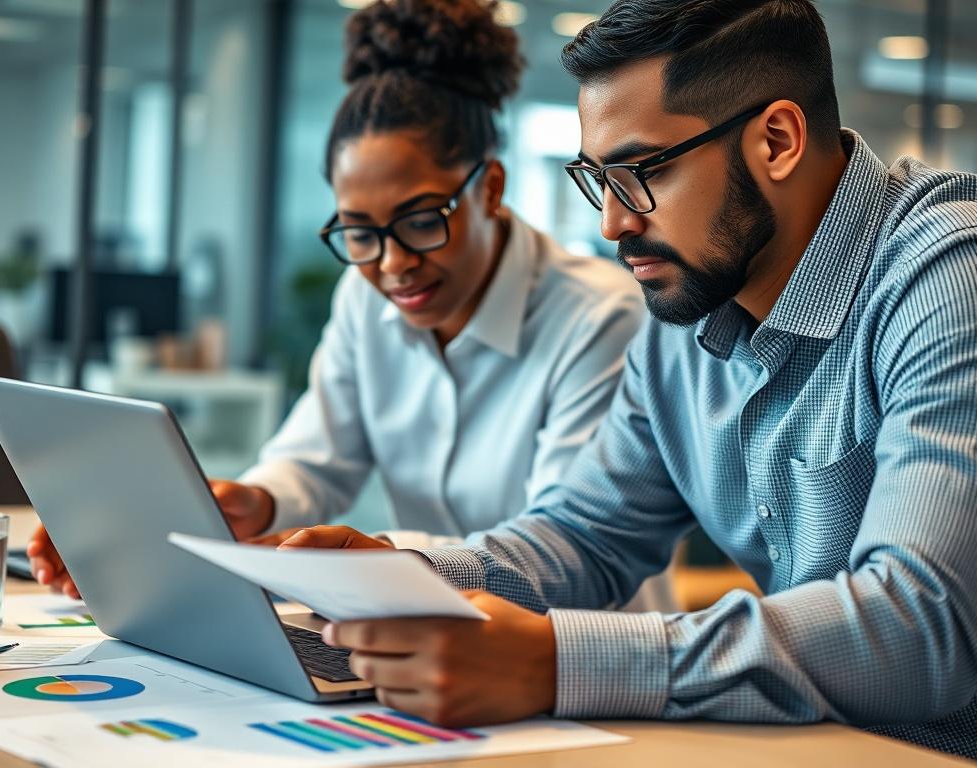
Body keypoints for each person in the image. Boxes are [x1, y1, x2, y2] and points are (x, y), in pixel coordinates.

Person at [273, 0, 977, 758]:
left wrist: (559, 662)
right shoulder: (688, 305)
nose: (612, 222)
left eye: (641, 173)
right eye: (596, 178)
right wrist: (411, 574)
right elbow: (587, 539)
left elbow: (921, 627)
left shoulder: (946, 277)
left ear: (777, 140)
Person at [27, 0, 674, 610]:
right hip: (426, 637)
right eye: (359, 233)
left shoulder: (600, 318)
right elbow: (315, 460)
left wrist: (383, 559)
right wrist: (252, 501)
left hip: (576, 658)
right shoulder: (364, 301)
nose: (392, 264)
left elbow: (565, 546)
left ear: (491, 189)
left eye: (421, 221)